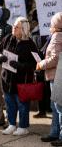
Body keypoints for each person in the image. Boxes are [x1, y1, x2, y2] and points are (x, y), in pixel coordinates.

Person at [0, 17, 38, 136]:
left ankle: (23, 127)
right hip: (7, 79)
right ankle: (12, 124)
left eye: (17, 27)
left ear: (24, 29)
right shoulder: (8, 38)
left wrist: (20, 65)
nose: (13, 28)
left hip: (22, 81)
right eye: (14, 26)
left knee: (22, 105)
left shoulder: (30, 44)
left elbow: (35, 63)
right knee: (9, 104)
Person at [37, 12, 62, 146]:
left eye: (52, 23)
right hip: (56, 75)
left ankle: (60, 135)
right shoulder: (56, 35)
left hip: (57, 75)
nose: (50, 26)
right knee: (56, 106)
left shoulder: (58, 36)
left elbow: (55, 58)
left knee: (59, 107)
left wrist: (42, 64)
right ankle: (54, 132)